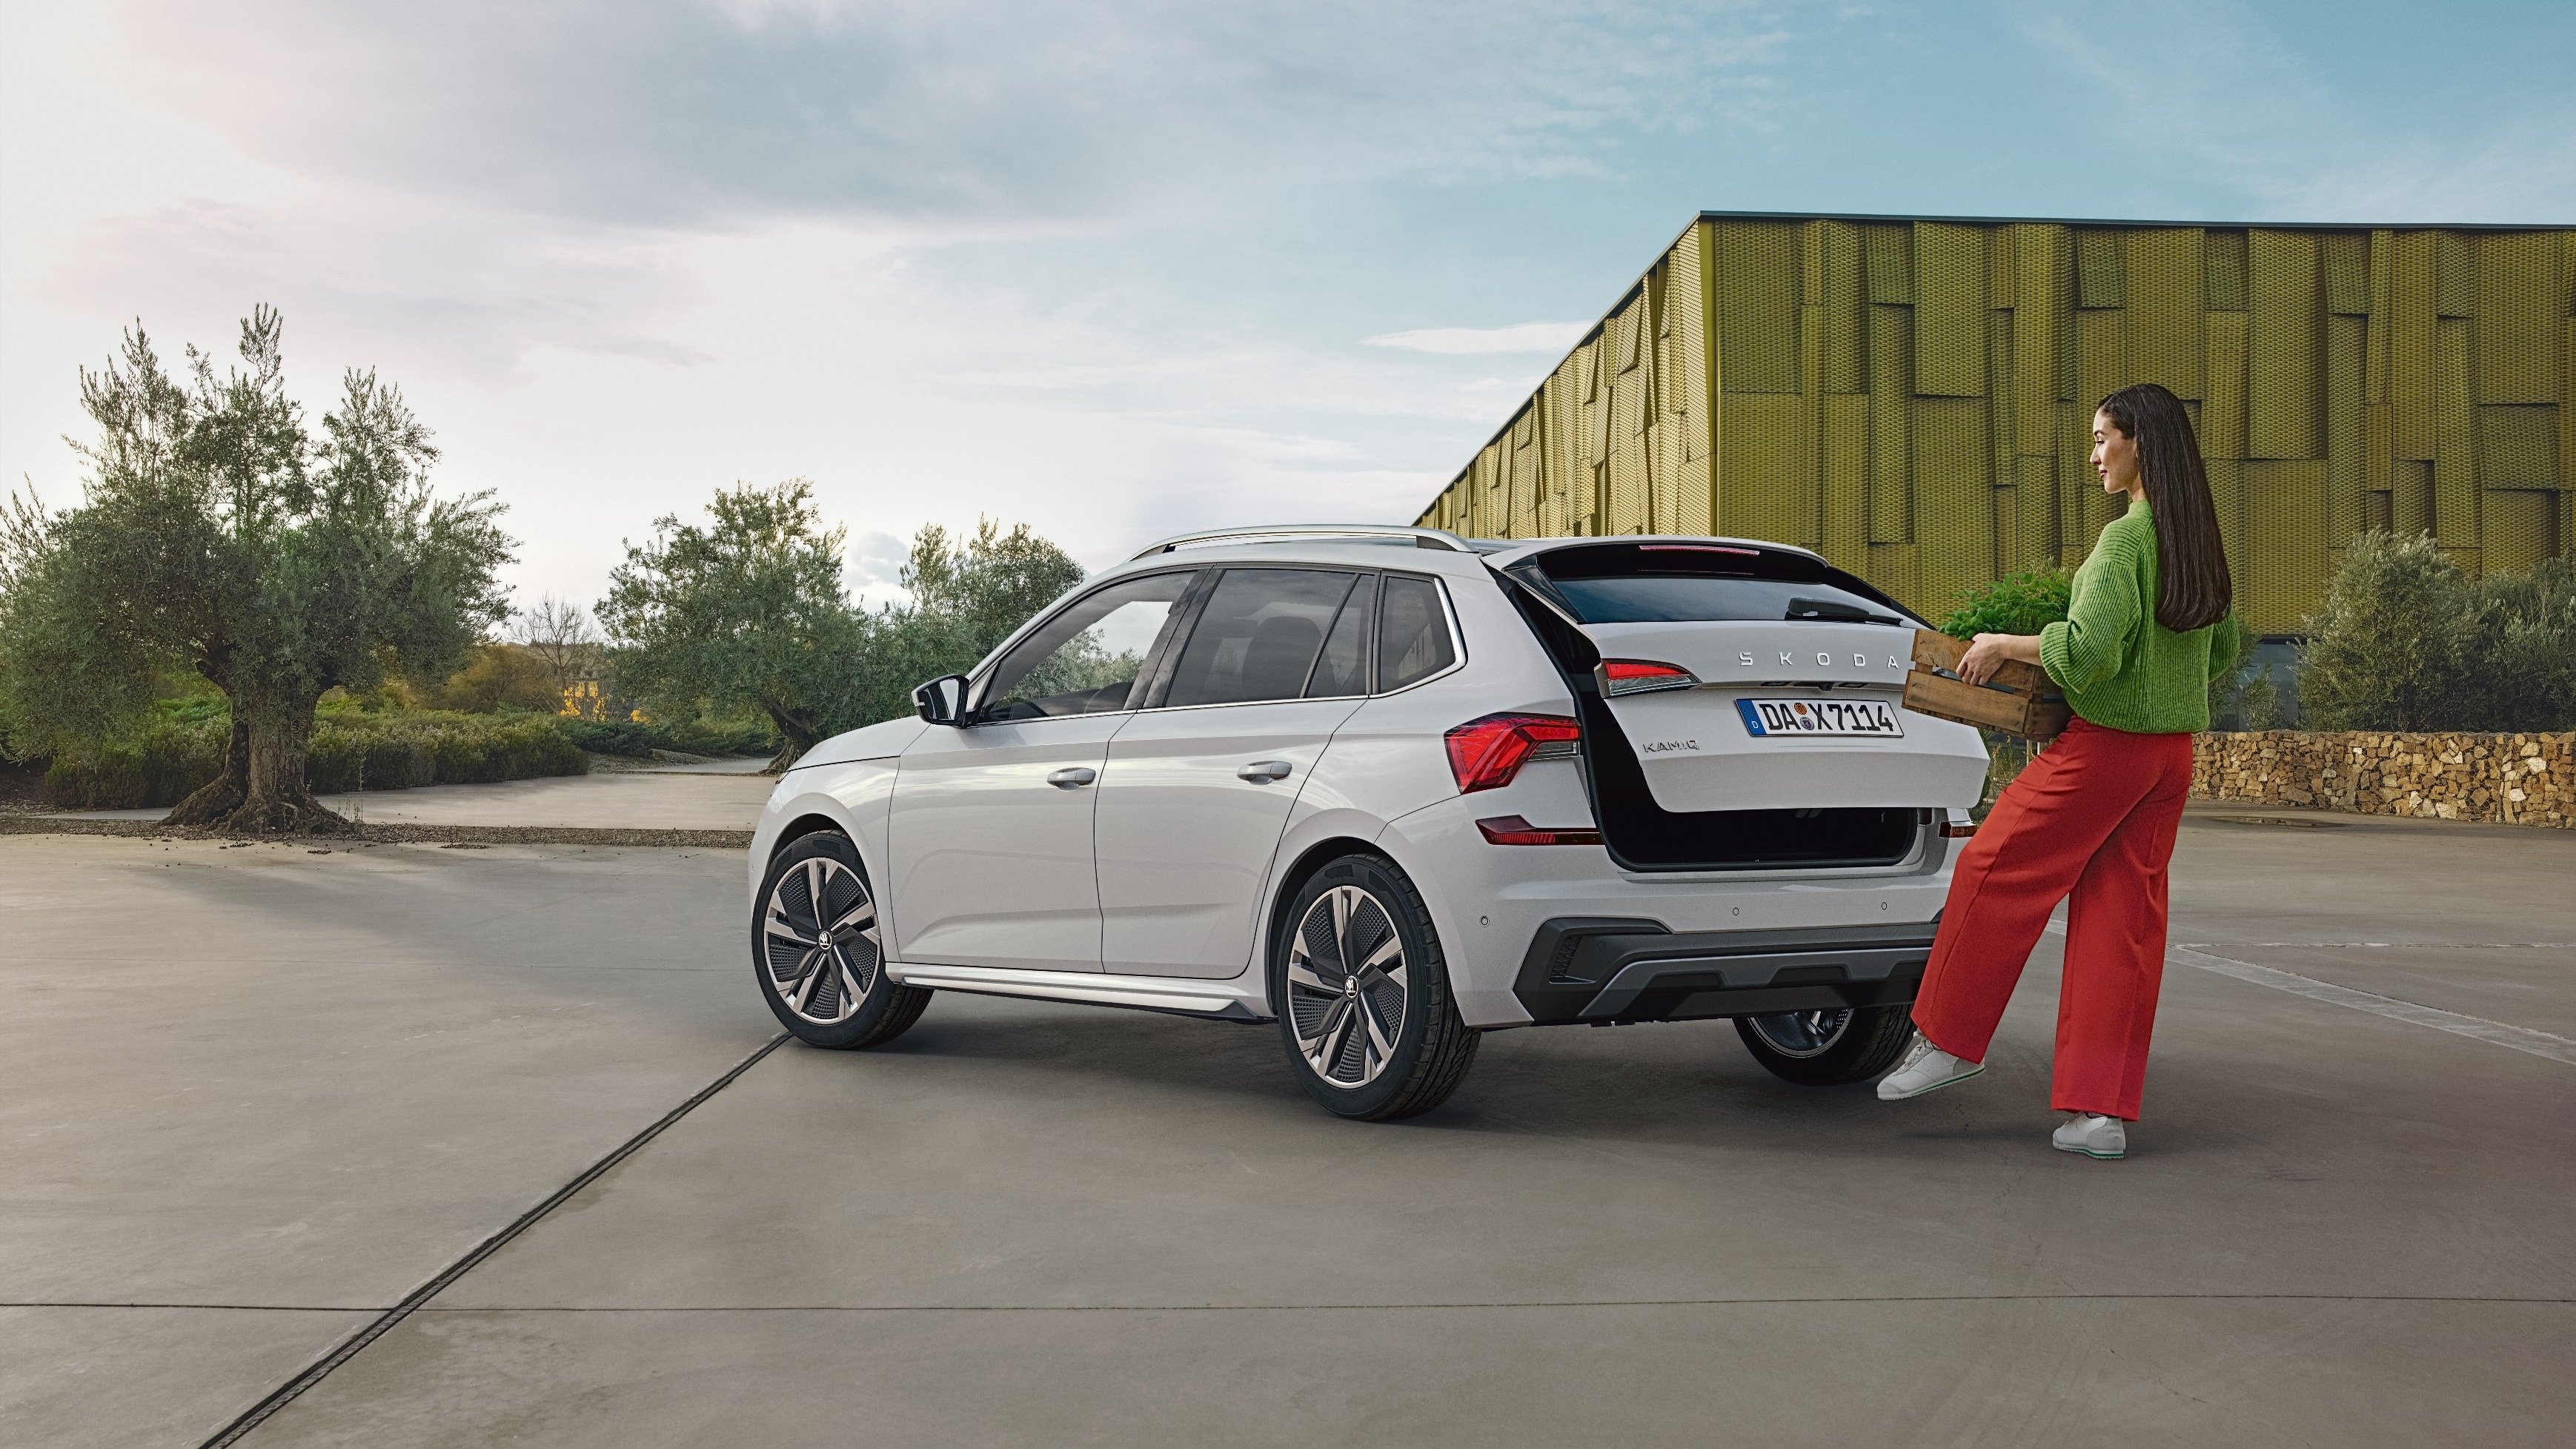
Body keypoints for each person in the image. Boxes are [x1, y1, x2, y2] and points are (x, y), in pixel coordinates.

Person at [1876, 382, 2237, 1160]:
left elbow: (2084, 652)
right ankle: (2096, 1115)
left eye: (2104, 437)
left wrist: (2006, 641)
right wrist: (2163, 679)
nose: (2093, 454)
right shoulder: (2195, 537)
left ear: (2141, 443)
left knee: (1988, 866)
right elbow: (2229, 645)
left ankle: (1949, 1038)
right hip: (2168, 756)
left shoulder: (2124, 542)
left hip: (2104, 748)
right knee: (2120, 924)